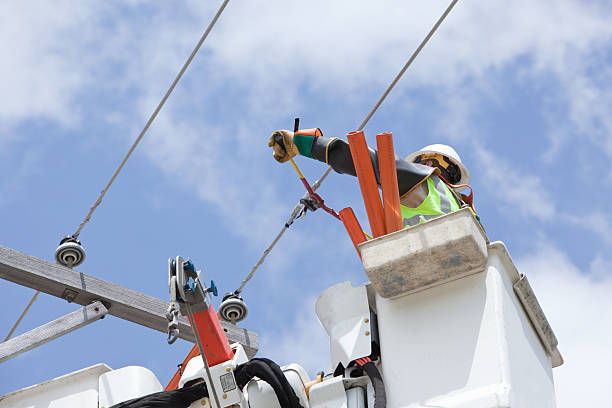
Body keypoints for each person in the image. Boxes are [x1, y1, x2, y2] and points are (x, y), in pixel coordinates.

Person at [268, 129, 472, 228]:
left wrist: (302, 143)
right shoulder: (463, 211)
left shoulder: (429, 184)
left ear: (427, 163)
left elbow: (369, 163)